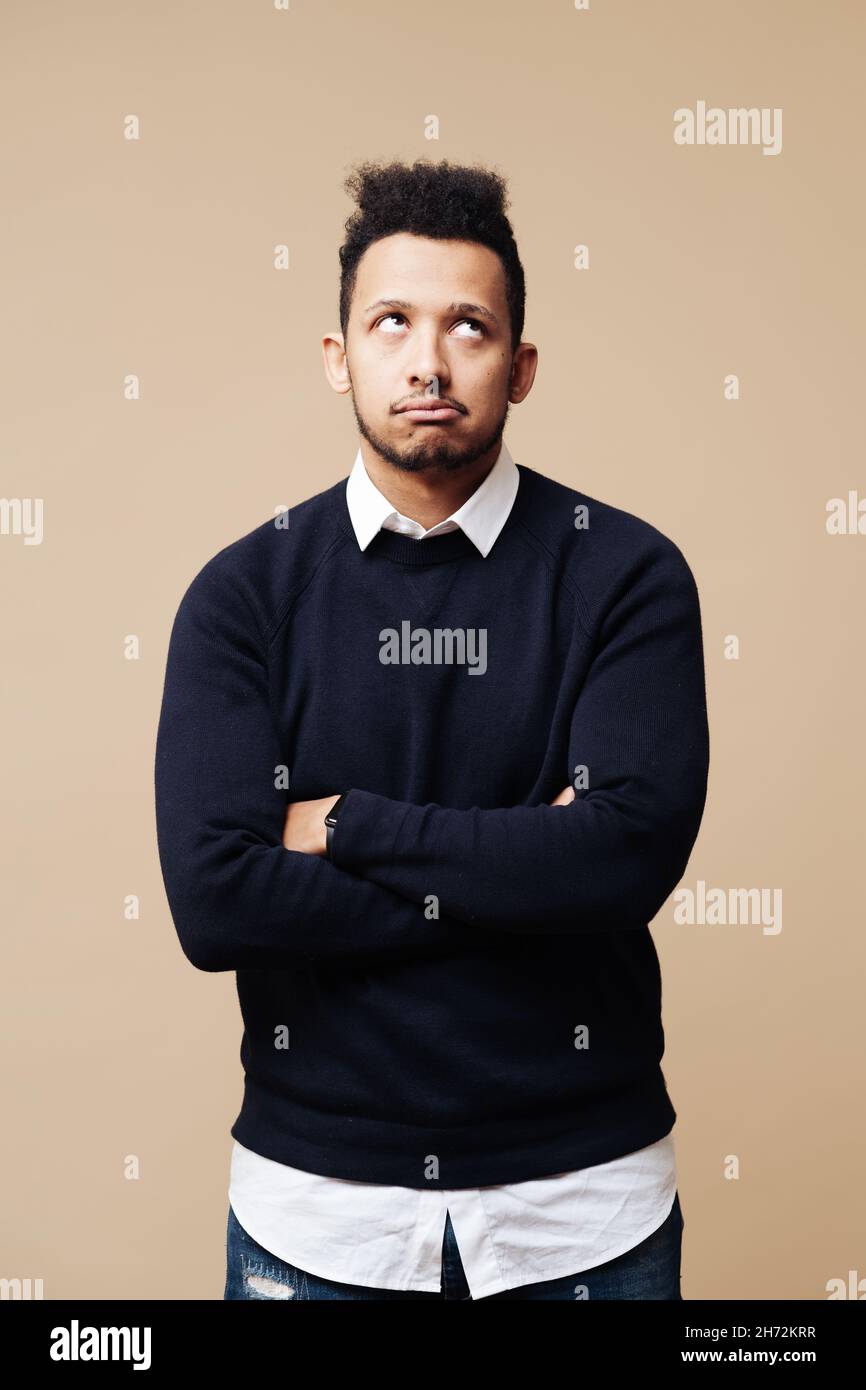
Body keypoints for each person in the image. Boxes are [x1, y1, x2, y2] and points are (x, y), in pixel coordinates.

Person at [154, 157, 709, 1301]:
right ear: (336, 354)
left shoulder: (625, 576)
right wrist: (519, 859)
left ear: (521, 366)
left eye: (468, 326)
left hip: (581, 1209)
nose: (427, 361)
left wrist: (343, 822)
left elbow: (614, 867)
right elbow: (215, 904)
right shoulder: (241, 594)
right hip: (317, 1216)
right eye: (390, 321)